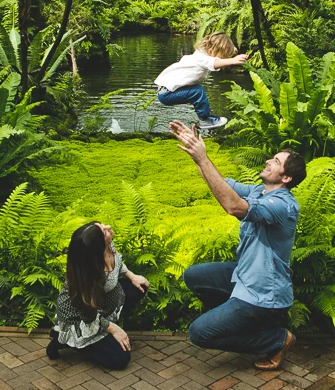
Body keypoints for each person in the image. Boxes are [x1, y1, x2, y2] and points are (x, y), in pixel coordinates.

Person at [169, 120, 306, 371]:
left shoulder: (283, 206)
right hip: (245, 277)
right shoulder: (259, 191)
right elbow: (221, 183)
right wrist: (197, 152)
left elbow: (233, 206)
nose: (268, 161)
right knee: (194, 276)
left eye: (275, 161)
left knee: (199, 333)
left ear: (286, 177)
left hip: (265, 295)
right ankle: (237, 320)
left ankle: (275, 339)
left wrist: (203, 160)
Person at [46, 221, 150, 370]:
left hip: (103, 300)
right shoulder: (88, 277)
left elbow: (118, 263)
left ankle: (106, 330)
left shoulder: (107, 246)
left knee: (139, 287)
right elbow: (87, 316)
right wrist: (113, 329)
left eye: (102, 226)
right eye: (104, 231)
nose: (108, 227)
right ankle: (65, 339)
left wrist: (131, 275)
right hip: (82, 317)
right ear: (97, 248)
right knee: (120, 359)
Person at [155, 32, 248, 129]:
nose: (222, 59)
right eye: (222, 57)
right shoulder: (201, 59)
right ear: (211, 51)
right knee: (198, 91)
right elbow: (214, 63)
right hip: (167, 94)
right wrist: (233, 60)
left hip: (166, 91)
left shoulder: (201, 54)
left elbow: (217, 55)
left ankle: (206, 117)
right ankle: (205, 120)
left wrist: (232, 50)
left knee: (196, 91)